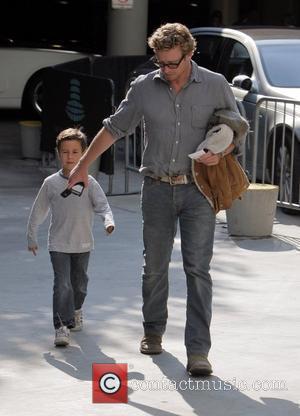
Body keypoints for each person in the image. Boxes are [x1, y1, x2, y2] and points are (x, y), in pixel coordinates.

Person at [68, 23, 244, 375]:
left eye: (171, 64)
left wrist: (221, 151)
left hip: (199, 189)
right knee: (155, 267)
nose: (164, 70)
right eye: (159, 63)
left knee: (198, 269)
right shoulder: (144, 87)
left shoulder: (215, 84)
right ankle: (153, 330)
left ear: (189, 54)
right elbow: (114, 128)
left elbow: (235, 126)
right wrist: (83, 167)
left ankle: (198, 352)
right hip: (158, 188)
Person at [27, 128, 115, 347]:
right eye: (65, 151)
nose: (70, 156)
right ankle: (61, 327)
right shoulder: (51, 183)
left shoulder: (90, 183)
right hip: (58, 243)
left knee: (80, 284)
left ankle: (75, 310)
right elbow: (38, 211)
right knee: (62, 284)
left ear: (83, 153)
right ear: (58, 153)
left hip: (83, 243)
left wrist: (108, 221)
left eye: (75, 151)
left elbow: (103, 205)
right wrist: (31, 237)